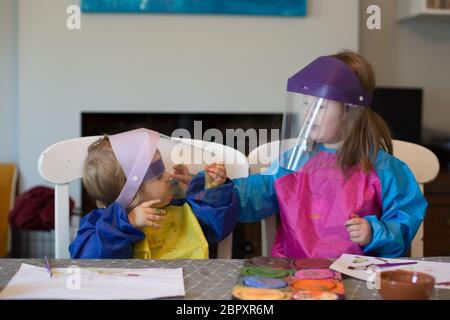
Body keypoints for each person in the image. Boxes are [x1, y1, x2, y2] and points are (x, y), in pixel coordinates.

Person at [233, 51, 427, 258]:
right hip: (294, 274)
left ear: (351, 109)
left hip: (358, 274)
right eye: (306, 103)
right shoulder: (294, 161)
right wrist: (218, 190)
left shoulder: (386, 169)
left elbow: (404, 225)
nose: (308, 113)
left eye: (319, 105)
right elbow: (256, 196)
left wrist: (374, 233)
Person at [69, 128, 239, 259]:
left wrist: (212, 190)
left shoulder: (183, 210)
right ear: (132, 193)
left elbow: (218, 225)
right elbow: (88, 261)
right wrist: (127, 224)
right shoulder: (103, 224)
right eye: (158, 176)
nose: (168, 176)